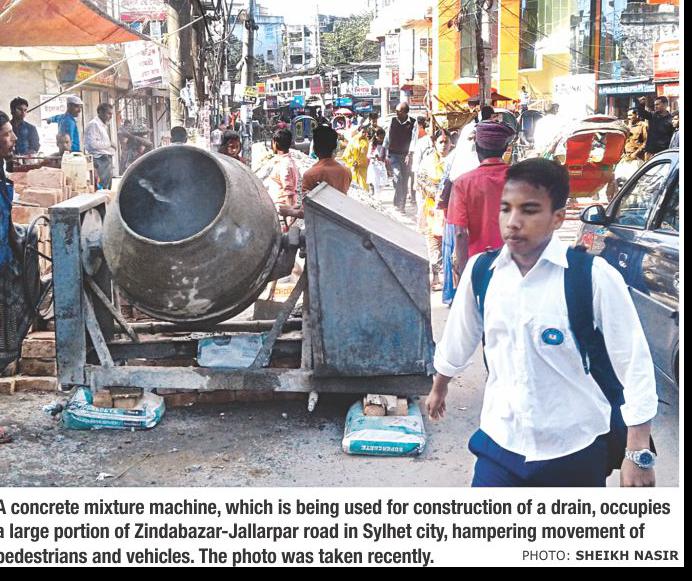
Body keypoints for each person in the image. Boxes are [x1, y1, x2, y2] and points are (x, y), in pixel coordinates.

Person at [426, 157, 658, 487]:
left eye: (529, 210)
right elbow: (459, 337)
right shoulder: (482, 273)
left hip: (575, 448)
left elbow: (634, 362)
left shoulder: (592, 277)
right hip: (501, 442)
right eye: (506, 209)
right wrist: (440, 386)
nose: (513, 222)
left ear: (557, 218)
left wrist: (637, 451)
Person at [447, 121, 515, 280]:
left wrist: (463, 273)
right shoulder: (522, 179)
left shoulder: (462, 183)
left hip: (477, 264)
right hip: (515, 264)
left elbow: (460, 234)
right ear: (505, 148)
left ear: (477, 148)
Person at [280, 125, 351, 222]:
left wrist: (288, 211)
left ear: (314, 148)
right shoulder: (346, 172)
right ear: (334, 147)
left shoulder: (311, 175)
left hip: (320, 225)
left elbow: (306, 211)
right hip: (341, 224)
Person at [416, 129, 451, 292]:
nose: (444, 145)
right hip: (432, 209)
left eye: (446, 142)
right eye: (441, 142)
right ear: (435, 143)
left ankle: (450, 279)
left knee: (449, 244)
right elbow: (421, 181)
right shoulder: (427, 162)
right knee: (434, 243)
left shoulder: (455, 160)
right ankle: (436, 277)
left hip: (451, 208)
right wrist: (438, 193)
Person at [265, 128, 299, 231]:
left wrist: (289, 220)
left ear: (275, 143)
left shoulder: (285, 165)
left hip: (282, 213)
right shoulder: (284, 162)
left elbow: (289, 193)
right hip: (280, 211)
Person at [384, 102, 416, 213]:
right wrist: (384, 154)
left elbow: (414, 139)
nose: (396, 113)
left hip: (406, 156)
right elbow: (387, 138)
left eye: (399, 111)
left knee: (404, 180)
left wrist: (410, 154)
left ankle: (401, 205)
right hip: (393, 155)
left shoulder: (413, 123)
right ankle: (399, 202)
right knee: (398, 177)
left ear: (405, 112)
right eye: (396, 111)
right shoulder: (392, 121)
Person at [84, 103, 117, 189]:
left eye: (111, 114)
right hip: (100, 159)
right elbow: (92, 144)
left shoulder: (102, 125)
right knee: (102, 187)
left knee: (107, 187)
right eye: (108, 113)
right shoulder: (94, 124)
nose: (110, 116)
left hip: (105, 159)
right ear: (100, 112)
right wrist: (109, 144)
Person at [613, 108, 647, 188]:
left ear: (637, 115)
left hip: (636, 158)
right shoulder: (626, 126)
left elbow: (646, 142)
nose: (629, 117)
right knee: (619, 179)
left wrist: (636, 153)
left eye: (631, 115)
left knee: (634, 182)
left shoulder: (643, 125)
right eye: (628, 115)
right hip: (625, 157)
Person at [409, 116, 433, 211]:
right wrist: (416, 181)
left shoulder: (442, 140)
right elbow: (416, 163)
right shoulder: (421, 141)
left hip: (436, 178)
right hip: (423, 175)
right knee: (422, 205)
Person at [342, 126, 370, 191]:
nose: (364, 134)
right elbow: (347, 154)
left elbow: (365, 154)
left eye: (366, 132)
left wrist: (359, 162)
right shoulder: (353, 141)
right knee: (354, 186)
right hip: (353, 166)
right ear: (359, 132)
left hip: (362, 167)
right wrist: (352, 162)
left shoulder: (366, 141)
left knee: (363, 185)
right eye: (363, 132)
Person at [366, 127, 388, 197]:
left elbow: (387, 155)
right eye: (380, 137)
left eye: (383, 138)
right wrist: (374, 156)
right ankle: (375, 196)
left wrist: (384, 158)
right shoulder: (372, 144)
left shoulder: (385, 144)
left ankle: (377, 195)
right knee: (375, 181)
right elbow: (368, 155)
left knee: (383, 182)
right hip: (374, 165)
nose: (382, 139)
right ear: (376, 136)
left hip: (382, 164)